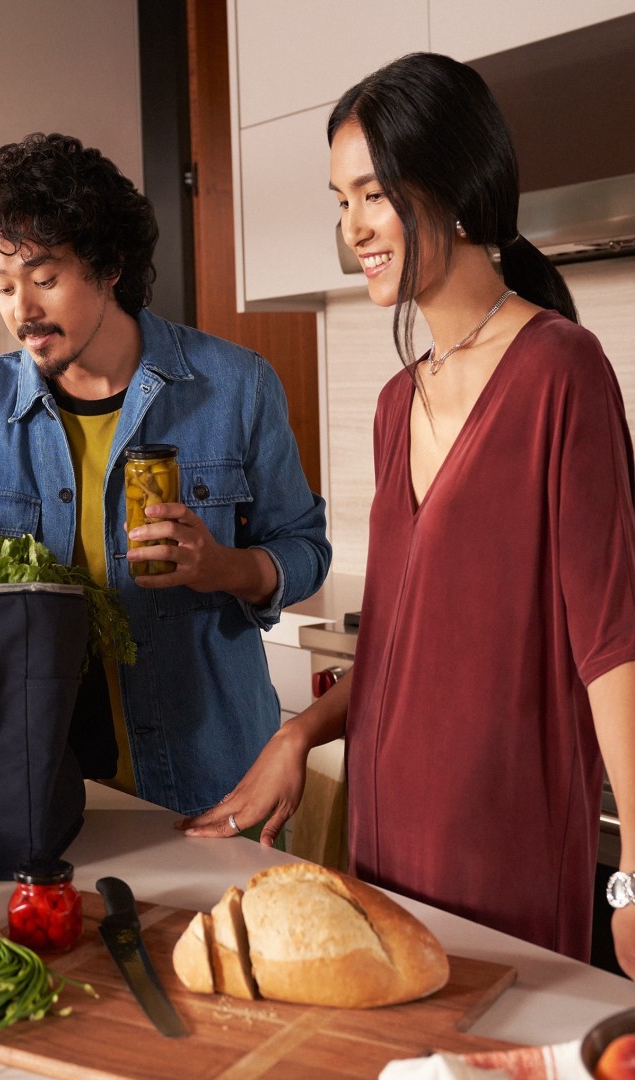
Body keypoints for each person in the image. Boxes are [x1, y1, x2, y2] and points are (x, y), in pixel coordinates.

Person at [180, 52, 635, 977]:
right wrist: (297, 734)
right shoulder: (397, 404)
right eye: (341, 201)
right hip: (386, 834)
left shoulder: (561, 371)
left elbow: (612, 640)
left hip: (502, 836)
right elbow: (395, 647)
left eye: (374, 194)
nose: (353, 229)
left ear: (456, 186)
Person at [0, 132, 330, 816]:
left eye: (44, 279)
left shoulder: (235, 388)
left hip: (210, 781)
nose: (22, 309)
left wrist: (224, 567)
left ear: (109, 267)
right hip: (27, 790)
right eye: (4, 284)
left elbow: (304, 550)